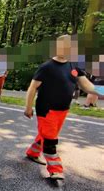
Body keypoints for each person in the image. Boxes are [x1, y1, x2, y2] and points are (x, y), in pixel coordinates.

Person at [24, 34, 99, 181]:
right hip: (46, 109)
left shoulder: (74, 66)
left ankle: (32, 152)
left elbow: (87, 86)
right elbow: (32, 88)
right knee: (51, 138)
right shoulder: (47, 67)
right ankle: (55, 169)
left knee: (45, 134)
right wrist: (28, 107)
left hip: (63, 110)